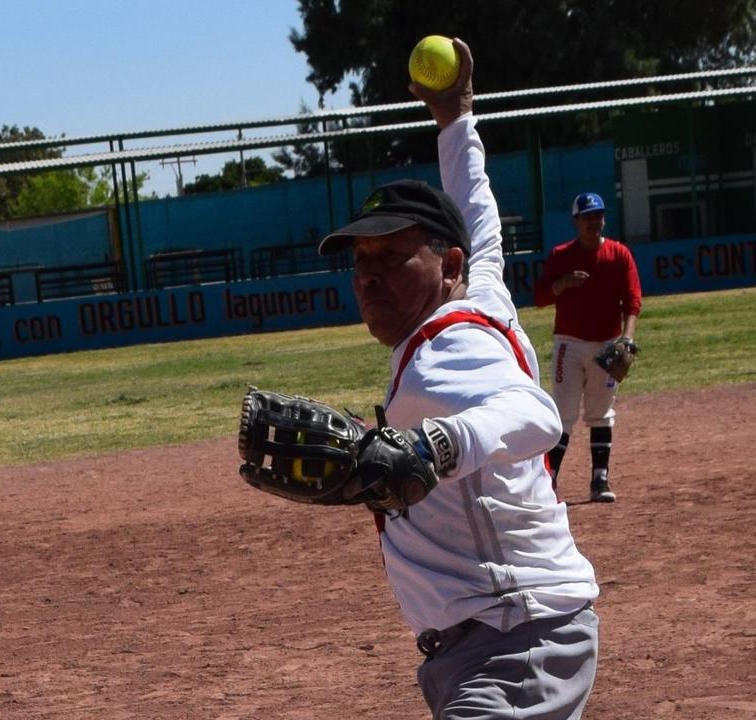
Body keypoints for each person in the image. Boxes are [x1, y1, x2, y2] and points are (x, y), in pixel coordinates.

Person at [316, 38, 599, 720]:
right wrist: (455, 118)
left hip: (512, 644)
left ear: (446, 267)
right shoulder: (480, 294)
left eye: (390, 256)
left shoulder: (450, 347)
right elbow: (478, 217)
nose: (368, 276)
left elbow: (535, 414)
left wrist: (435, 444)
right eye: (360, 260)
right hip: (509, 638)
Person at [532, 193, 642, 503]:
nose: (594, 222)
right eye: (587, 217)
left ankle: (600, 480)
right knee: (562, 414)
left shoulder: (619, 254)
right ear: (575, 222)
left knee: (601, 413)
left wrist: (627, 338)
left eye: (598, 216)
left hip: (607, 345)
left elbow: (632, 300)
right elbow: (539, 297)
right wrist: (563, 283)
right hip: (569, 344)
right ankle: (548, 481)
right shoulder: (561, 255)